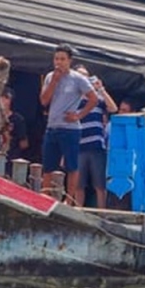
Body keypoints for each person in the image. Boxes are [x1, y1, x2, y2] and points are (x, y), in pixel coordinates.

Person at [40, 44, 99, 205]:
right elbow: (44, 100)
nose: (59, 62)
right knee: (48, 166)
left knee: (71, 165)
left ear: (69, 61)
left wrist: (79, 114)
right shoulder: (49, 77)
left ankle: (69, 198)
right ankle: (46, 196)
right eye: (56, 59)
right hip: (52, 127)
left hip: (70, 129)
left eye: (63, 59)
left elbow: (94, 99)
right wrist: (54, 81)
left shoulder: (78, 79)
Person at [76, 67, 118, 209]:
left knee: (100, 185)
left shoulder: (97, 99)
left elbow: (113, 109)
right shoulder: (72, 100)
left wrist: (101, 90)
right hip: (78, 148)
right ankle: (78, 211)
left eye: (86, 77)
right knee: (78, 185)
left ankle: (102, 212)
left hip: (96, 147)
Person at [1, 90, 30, 163]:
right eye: (1, 97)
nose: (2, 100)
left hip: (11, 157)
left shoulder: (18, 119)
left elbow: (24, 143)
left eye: (6, 98)